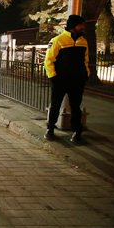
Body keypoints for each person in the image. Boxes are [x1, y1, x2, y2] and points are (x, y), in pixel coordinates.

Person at [44, 15, 90, 143]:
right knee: (55, 105)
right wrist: (53, 77)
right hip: (60, 80)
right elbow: (48, 60)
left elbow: (85, 60)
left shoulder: (83, 41)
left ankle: (77, 132)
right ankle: (50, 129)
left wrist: (86, 74)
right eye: (80, 25)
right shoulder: (58, 40)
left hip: (77, 81)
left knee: (76, 107)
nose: (82, 27)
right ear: (73, 26)